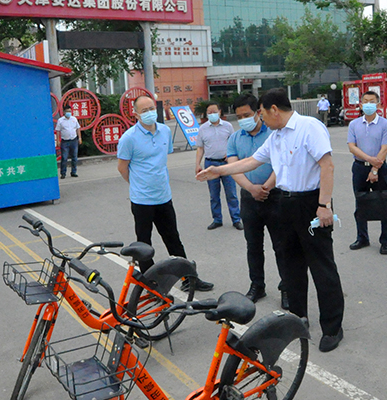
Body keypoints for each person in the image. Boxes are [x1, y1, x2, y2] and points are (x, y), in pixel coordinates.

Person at [198, 88, 345, 352]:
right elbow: (252, 162)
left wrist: (324, 205)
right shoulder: (275, 136)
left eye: (262, 114)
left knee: (321, 266)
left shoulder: (309, 127)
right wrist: (219, 170)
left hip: (311, 203)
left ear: (274, 109)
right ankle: (298, 320)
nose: (261, 119)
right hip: (284, 204)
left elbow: (327, 166)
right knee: (291, 266)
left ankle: (332, 328)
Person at [117, 94, 214, 292]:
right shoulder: (128, 138)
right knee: (144, 245)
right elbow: (122, 168)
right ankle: (152, 284)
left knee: (173, 239)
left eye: (151, 108)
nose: (149, 113)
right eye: (144, 110)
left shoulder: (164, 131)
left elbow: (162, 159)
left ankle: (189, 278)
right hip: (141, 200)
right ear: (136, 114)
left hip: (163, 196)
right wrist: (137, 184)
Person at [226, 94, 286, 307]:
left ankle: (286, 287)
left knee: (281, 245)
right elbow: (234, 167)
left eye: (247, 114)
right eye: (239, 116)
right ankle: (257, 285)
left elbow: (282, 164)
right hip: (249, 197)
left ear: (258, 113)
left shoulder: (273, 133)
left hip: (275, 196)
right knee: (253, 246)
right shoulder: (235, 138)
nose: (243, 119)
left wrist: (266, 187)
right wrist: (251, 188)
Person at [347, 91, 387, 255]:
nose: (368, 104)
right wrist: (369, 159)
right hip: (359, 167)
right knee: (360, 202)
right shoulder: (354, 124)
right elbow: (352, 146)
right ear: (360, 105)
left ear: (378, 104)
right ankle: (362, 237)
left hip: (380, 168)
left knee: (384, 202)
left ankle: (386, 240)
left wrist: (375, 169)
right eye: (365, 101)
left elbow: (385, 148)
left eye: (372, 101)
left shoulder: (386, 125)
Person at [196, 103, 242, 230]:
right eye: (209, 112)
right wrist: (197, 164)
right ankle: (217, 219)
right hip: (210, 163)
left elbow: (233, 142)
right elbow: (200, 148)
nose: (212, 114)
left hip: (226, 164)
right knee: (214, 194)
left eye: (214, 111)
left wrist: (231, 154)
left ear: (220, 112)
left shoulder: (228, 126)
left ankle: (236, 219)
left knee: (231, 193)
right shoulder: (203, 129)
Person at [55, 108, 81, 179]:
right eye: (67, 111)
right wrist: (58, 140)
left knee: (74, 157)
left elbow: (78, 128)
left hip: (74, 140)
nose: (68, 113)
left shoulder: (74, 119)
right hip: (65, 141)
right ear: (64, 112)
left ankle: (73, 172)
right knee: (64, 157)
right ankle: (63, 173)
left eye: (69, 111)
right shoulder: (60, 120)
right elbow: (58, 130)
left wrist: (79, 138)